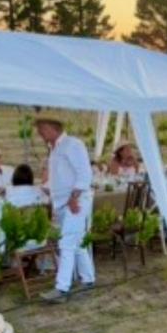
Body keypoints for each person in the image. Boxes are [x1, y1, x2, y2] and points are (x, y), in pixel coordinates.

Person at [36, 118, 95, 302]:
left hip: (74, 201)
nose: (39, 133)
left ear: (54, 128)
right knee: (76, 242)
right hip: (62, 202)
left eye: (42, 129)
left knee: (67, 244)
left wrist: (74, 197)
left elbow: (84, 173)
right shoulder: (54, 149)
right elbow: (60, 176)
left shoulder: (73, 144)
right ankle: (88, 279)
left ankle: (62, 289)